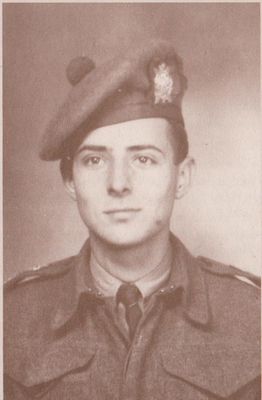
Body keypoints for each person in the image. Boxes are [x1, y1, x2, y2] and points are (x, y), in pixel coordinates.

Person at [4, 39, 260, 400]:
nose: (119, 183)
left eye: (144, 159)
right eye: (95, 160)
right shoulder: (12, 316)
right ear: (70, 180)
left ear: (182, 177)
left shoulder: (253, 317)